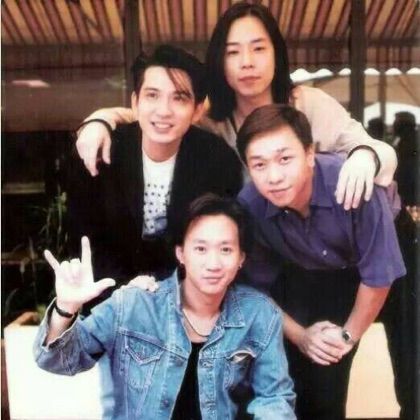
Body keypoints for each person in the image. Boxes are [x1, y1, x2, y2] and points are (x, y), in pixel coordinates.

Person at [74, 1, 396, 212]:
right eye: (232, 52)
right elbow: (151, 117)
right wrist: (100, 120)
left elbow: (380, 151)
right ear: (220, 60)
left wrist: (365, 155)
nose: (247, 63)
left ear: (277, 55)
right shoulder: (211, 116)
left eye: (258, 49)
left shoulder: (307, 103)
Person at [34, 194, 297, 420]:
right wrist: (66, 308)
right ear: (181, 253)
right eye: (201, 249)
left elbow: (274, 398)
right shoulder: (134, 304)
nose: (213, 263)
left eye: (226, 250)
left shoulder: (259, 314)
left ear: (241, 258)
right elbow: (58, 361)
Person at [235, 104, 406, 419]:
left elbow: (379, 276)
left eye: (285, 159)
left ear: (310, 154)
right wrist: (302, 336)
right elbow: (256, 290)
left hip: (393, 251)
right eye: (259, 164)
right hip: (318, 268)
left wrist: (347, 337)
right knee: (319, 382)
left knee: (412, 370)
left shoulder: (353, 183)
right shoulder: (250, 205)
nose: (274, 177)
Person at [67, 45, 242, 290]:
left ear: (197, 110)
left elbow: (218, 242)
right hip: (108, 291)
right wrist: (124, 289)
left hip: (187, 293)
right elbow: (83, 241)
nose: (163, 111)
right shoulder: (102, 151)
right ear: (135, 102)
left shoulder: (218, 161)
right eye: (152, 95)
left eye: (179, 98)